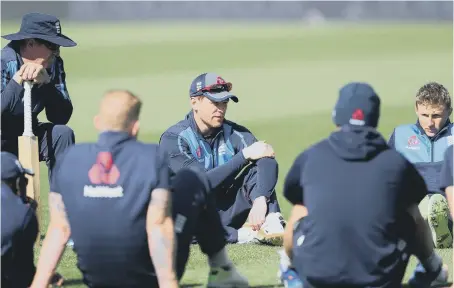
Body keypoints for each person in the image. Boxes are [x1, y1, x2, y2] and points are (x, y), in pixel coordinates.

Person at [30, 90, 249, 288]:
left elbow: (59, 229)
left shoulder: (69, 158)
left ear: (98, 122)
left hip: (95, 279)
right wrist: (169, 283)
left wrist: (38, 284)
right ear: (135, 127)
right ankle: (222, 270)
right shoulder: (150, 157)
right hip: (147, 278)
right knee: (193, 181)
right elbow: (158, 225)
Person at [277, 82, 448, 288]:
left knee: (301, 209)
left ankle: (289, 272)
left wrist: (287, 264)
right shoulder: (395, 162)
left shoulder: (310, 157)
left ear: (336, 115)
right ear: (375, 117)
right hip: (381, 279)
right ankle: (431, 269)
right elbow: (414, 217)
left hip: (317, 277)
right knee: (410, 213)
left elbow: (297, 214)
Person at [160, 72, 286, 245]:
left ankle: (272, 220)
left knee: (258, 167)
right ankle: (245, 235)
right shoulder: (174, 138)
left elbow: (266, 157)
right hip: (193, 213)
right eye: (214, 102)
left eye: (224, 103)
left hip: (226, 209)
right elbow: (200, 183)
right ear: (194, 102)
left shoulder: (235, 132)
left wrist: (261, 199)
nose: (220, 109)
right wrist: (243, 156)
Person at [1, 12, 76, 187]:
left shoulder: (54, 64)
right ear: (30, 43)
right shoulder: (3, 62)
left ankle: (62, 202)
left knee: (62, 134)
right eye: (52, 45)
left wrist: (47, 85)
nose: (57, 52)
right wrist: (17, 81)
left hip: (28, 128)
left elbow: (61, 117)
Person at [388, 82, 453, 248]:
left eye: (436, 116)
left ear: (449, 112)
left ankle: (439, 226)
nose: (430, 122)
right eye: (424, 115)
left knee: (438, 204)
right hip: (415, 210)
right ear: (416, 109)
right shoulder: (400, 136)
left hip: (450, 208)